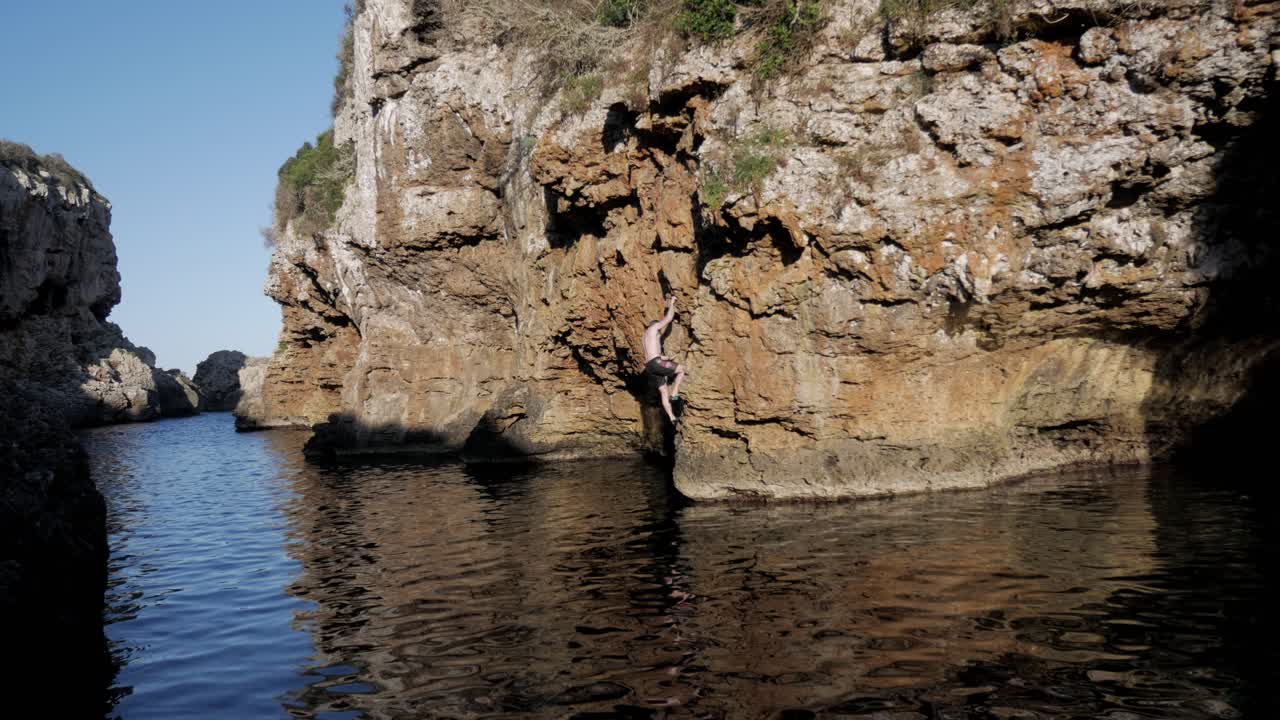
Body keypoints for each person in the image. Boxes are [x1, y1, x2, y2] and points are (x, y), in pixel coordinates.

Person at [643, 295, 685, 423]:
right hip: (656, 363)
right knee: (681, 370)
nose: (659, 333)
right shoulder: (653, 328)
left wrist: (667, 358)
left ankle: (672, 417)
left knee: (663, 391)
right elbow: (668, 318)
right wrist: (671, 303)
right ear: (655, 326)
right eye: (659, 331)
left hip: (650, 366)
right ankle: (675, 393)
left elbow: (653, 353)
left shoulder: (645, 337)